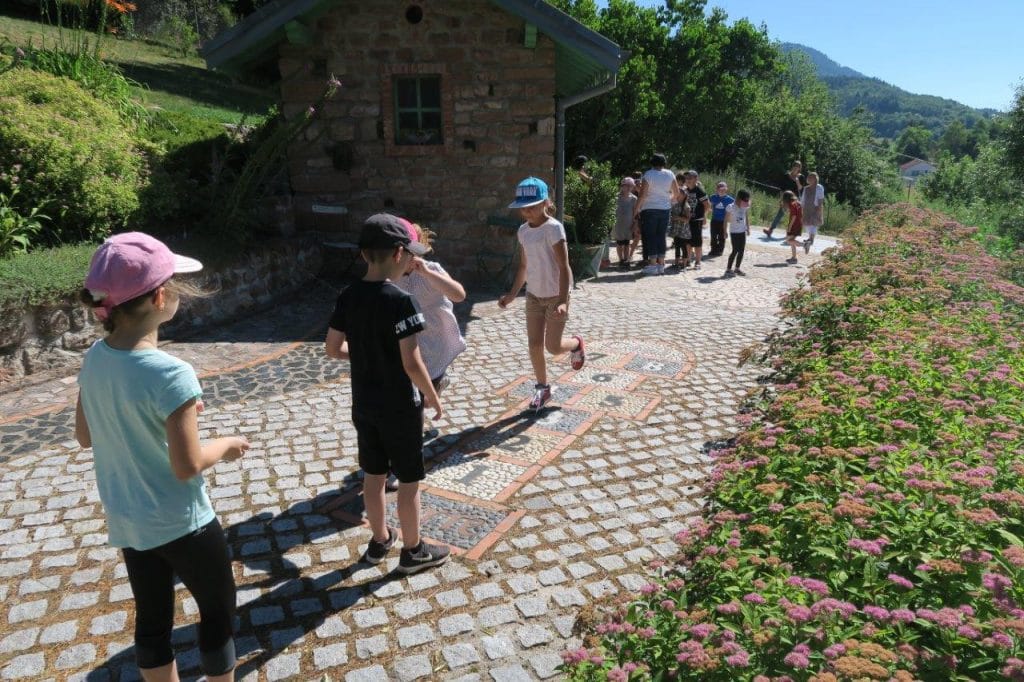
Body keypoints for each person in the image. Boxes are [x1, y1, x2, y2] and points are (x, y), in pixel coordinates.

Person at [75, 233, 248, 682]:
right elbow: (186, 464)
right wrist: (227, 445)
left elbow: (83, 434)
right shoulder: (172, 372)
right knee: (218, 611)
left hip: (130, 521)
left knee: (152, 620)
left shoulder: (94, 357)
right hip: (183, 521)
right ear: (160, 296)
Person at [325, 214, 450, 574]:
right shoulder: (401, 301)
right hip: (399, 407)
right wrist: (433, 396)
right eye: (411, 255)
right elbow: (411, 362)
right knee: (409, 482)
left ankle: (380, 539)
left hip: (364, 405)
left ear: (365, 255)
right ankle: (413, 551)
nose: (413, 261)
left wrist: (364, 352)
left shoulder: (347, 296)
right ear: (398, 253)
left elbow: (333, 349)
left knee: (373, 476)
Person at [499, 177, 586, 411]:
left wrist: (563, 300)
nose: (527, 211)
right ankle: (542, 388)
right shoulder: (523, 231)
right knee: (534, 344)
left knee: (553, 347)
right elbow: (524, 267)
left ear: (546, 203)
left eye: (533, 206)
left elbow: (564, 266)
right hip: (534, 296)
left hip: (556, 296)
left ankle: (576, 344)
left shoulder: (554, 228)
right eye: (523, 207)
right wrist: (512, 294)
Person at [633, 153, 682, 275]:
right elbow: (677, 193)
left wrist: (636, 209)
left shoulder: (648, 174)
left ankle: (652, 265)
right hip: (665, 209)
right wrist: (668, 199)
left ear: (652, 162)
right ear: (664, 162)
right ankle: (661, 264)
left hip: (649, 209)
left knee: (651, 236)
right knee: (661, 236)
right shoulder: (670, 174)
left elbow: (643, 194)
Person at [765, 161, 804, 239]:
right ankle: (770, 230)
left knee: (793, 216)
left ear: (800, 168)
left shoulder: (801, 177)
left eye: (798, 166)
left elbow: (800, 188)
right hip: (786, 198)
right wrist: (781, 199)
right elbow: (782, 189)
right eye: (795, 166)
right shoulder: (786, 175)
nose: (796, 167)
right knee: (780, 214)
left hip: (795, 199)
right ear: (792, 166)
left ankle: (790, 233)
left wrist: (797, 181)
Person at [682, 170, 711, 270]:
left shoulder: (700, 191)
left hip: (697, 220)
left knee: (697, 242)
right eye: (687, 178)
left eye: (690, 178)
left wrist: (704, 217)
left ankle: (698, 262)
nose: (688, 180)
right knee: (688, 241)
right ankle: (688, 260)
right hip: (687, 220)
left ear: (696, 179)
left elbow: (707, 205)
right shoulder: (685, 190)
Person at [724, 188, 752, 276]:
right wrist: (724, 231)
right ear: (739, 198)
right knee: (735, 250)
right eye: (744, 200)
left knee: (741, 250)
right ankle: (728, 269)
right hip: (734, 232)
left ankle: (737, 268)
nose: (746, 202)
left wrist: (748, 227)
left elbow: (746, 217)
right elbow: (725, 220)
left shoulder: (745, 206)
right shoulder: (730, 207)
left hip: (742, 231)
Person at [612, 177, 638, 267]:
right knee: (619, 243)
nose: (628, 188)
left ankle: (626, 260)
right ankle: (621, 260)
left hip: (629, 224)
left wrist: (635, 224)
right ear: (622, 186)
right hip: (618, 224)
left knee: (627, 243)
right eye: (626, 185)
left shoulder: (634, 198)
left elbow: (635, 213)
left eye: (630, 186)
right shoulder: (616, 197)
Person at [669, 171, 691, 267]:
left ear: (684, 195)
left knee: (683, 248)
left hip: (684, 231)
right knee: (677, 247)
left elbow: (687, 220)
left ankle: (685, 263)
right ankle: (677, 262)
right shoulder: (675, 205)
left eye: (680, 194)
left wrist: (677, 217)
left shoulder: (687, 206)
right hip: (676, 229)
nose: (678, 195)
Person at [800, 172, 825, 254]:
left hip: (815, 209)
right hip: (807, 209)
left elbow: (821, 199)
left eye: (812, 178)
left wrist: (819, 209)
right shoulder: (806, 188)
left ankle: (809, 242)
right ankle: (808, 242)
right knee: (808, 227)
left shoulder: (819, 187)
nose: (810, 179)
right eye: (809, 178)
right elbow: (803, 200)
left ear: (816, 179)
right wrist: (801, 209)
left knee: (813, 227)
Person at [708, 181, 734, 256]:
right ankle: (713, 249)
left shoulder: (730, 200)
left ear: (726, 189)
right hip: (714, 220)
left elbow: (734, 210)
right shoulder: (713, 197)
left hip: (723, 221)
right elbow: (708, 205)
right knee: (713, 236)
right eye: (719, 189)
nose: (721, 191)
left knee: (722, 236)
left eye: (723, 189)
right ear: (717, 189)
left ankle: (720, 250)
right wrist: (709, 209)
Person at [782, 190, 803, 263]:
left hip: (794, 225)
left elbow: (794, 216)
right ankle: (794, 258)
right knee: (791, 242)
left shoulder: (792, 204)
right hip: (799, 224)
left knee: (789, 240)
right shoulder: (797, 203)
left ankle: (804, 244)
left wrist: (789, 227)